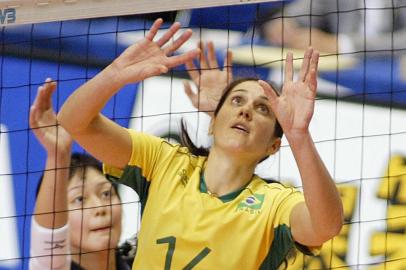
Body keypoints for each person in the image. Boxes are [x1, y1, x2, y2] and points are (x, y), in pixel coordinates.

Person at [57, 18, 344, 269]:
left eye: (263, 108)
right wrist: (114, 74)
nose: (246, 110)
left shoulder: (274, 203)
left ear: (273, 145)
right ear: (211, 120)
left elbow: (326, 226)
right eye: (236, 100)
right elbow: (74, 122)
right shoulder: (163, 161)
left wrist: (299, 136)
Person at [29, 79, 132, 270]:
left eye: (106, 194)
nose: (100, 207)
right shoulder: (51, 266)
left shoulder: (147, 260)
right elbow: (47, 239)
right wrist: (58, 155)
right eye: (80, 199)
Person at [262, 0, 406, 55]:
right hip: (340, 72)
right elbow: (305, 9)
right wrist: (284, 23)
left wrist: (342, 44)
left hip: (391, 68)